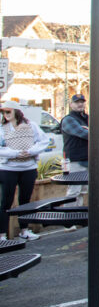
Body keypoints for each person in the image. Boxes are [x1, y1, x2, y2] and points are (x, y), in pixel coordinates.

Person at [0, 101, 48, 241]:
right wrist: (14, 154)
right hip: (8, 169)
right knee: (6, 202)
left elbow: (43, 141)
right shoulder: (2, 128)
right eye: (3, 112)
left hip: (28, 167)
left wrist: (31, 151)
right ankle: (2, 234)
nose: (5, 115)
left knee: (25, 200)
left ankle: (24, 230)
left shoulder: (31, 125)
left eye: (8, 111)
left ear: (16, 111)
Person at [60, 94, 89, 205]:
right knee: (73, 192)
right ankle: (69, 220)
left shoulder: (88, 118)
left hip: (87, 159)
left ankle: (77, 218)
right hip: (74, 161)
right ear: (71, 104)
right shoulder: (68, 120)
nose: (80, 104)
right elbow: (83, 133)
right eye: (77, 102)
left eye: (82, 101)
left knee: (82, 191)